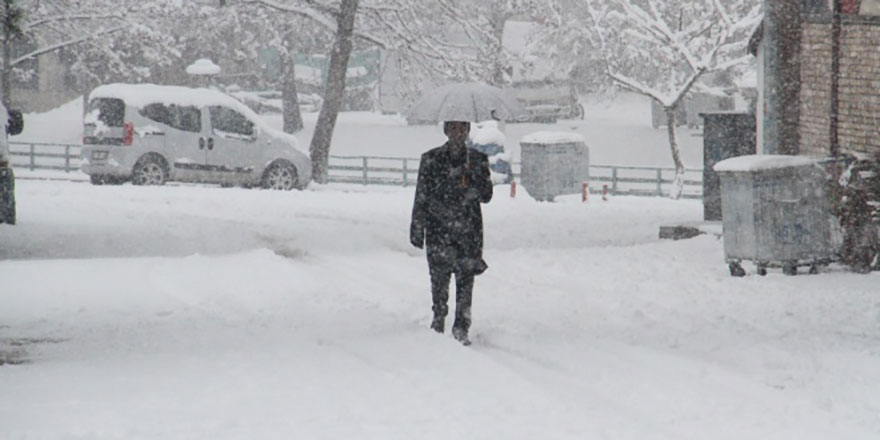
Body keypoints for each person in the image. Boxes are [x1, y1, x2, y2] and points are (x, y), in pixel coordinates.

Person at [410, 120, 493, 345]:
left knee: (465, 279)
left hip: (468, 230)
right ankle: (439, 317)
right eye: (453, 129)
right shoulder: (430, 159)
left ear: (467, 131)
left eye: (462, 129)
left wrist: (473, 178)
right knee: (439, 277)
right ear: (446, 131)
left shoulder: (477, 160)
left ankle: (462, 325)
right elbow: (422, 195)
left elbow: (486, 195)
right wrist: (417, 227)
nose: (458, 134)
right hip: (438, 227)